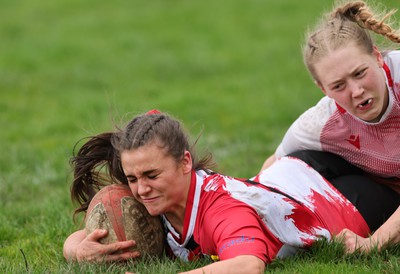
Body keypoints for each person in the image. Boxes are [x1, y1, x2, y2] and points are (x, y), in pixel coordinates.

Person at [63, 110, 371, 273]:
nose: (141, 189)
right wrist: (77, 249)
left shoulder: (221, 207)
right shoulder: (155, 201)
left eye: (151, 175)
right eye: (132, 178)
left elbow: (248, 265)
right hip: (290, 179)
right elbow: (87, 233)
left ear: (185, 163)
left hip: (342, 199)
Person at [261, 0, 400, 253]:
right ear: (323, 89)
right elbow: (274, 168)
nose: (356, 91)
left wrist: (373, 244)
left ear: (378, 56)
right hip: (383, 191)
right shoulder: (322, 121)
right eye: (338, 86)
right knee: (297, 163)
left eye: (359, 73)